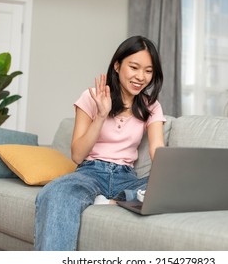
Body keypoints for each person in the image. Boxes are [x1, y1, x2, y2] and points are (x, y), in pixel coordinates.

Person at [34, 36, 166, 251]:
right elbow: (77, 155)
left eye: (148, 71)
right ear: (117, 65)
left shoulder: (151, 106)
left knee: (167, 190)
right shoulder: (91, 97)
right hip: (91, 173)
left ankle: (113, 200)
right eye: (134, 67)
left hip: (127, 178)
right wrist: (101, 115)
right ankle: (113, 199)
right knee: (56, 193)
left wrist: (169, 179)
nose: (141, 77)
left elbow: (157, 150)